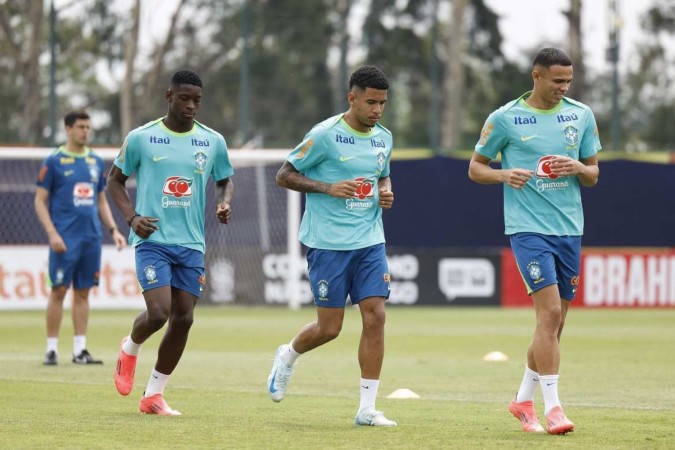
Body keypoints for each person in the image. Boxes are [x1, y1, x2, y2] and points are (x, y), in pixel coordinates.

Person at [468, 48, 601, 435]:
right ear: (536, 76)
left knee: (552, 326)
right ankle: (555, 409)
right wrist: (504, 175)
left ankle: (522, 400)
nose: (563, 87)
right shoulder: (506, 118)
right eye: (557, 80)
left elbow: (593, 175)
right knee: (550, 316)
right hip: (527, 228)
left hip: (569, 229)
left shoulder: (581, 115)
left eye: (568, 81)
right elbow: (476, 168)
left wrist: (578, 167)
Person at [266, 65, 397, 427]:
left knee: (376, 315)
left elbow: (381, 171)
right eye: (370, 102)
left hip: (370, 240)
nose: (377, 110)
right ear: (351, 98)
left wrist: (385, 190)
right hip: (328, 244)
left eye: (383, 103)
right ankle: (288, 356)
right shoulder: (324, 135)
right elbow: (284, 175)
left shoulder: (383, 137)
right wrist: (328, 188)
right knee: (330, 328)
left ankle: (367, 409)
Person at [107, 70, 234, 416]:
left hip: (192, 243)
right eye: (184, 98)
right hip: (153, 239)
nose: (191, 105)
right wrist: (132, 218)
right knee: (159, 312)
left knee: (184, 318)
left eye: (197, 100)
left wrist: (225, 202)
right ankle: (131, 346)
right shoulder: (142, 138)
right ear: (169, 96)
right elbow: (114, 182)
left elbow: (225, 180)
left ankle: (153, 396)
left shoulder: (212, 141)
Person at [35, 111, 127, 366]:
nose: (85, 131)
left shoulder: (95, 161)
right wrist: (52, 233)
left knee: (83, 293)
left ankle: (80, 350)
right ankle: (51, 349)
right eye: (81, 127)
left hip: (91, 238)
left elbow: (101, 201)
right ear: (67, 128)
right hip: (64, 239)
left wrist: (113, 230)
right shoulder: (54, 161)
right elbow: (40, 201)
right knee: (59, 290)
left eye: (88, 127)